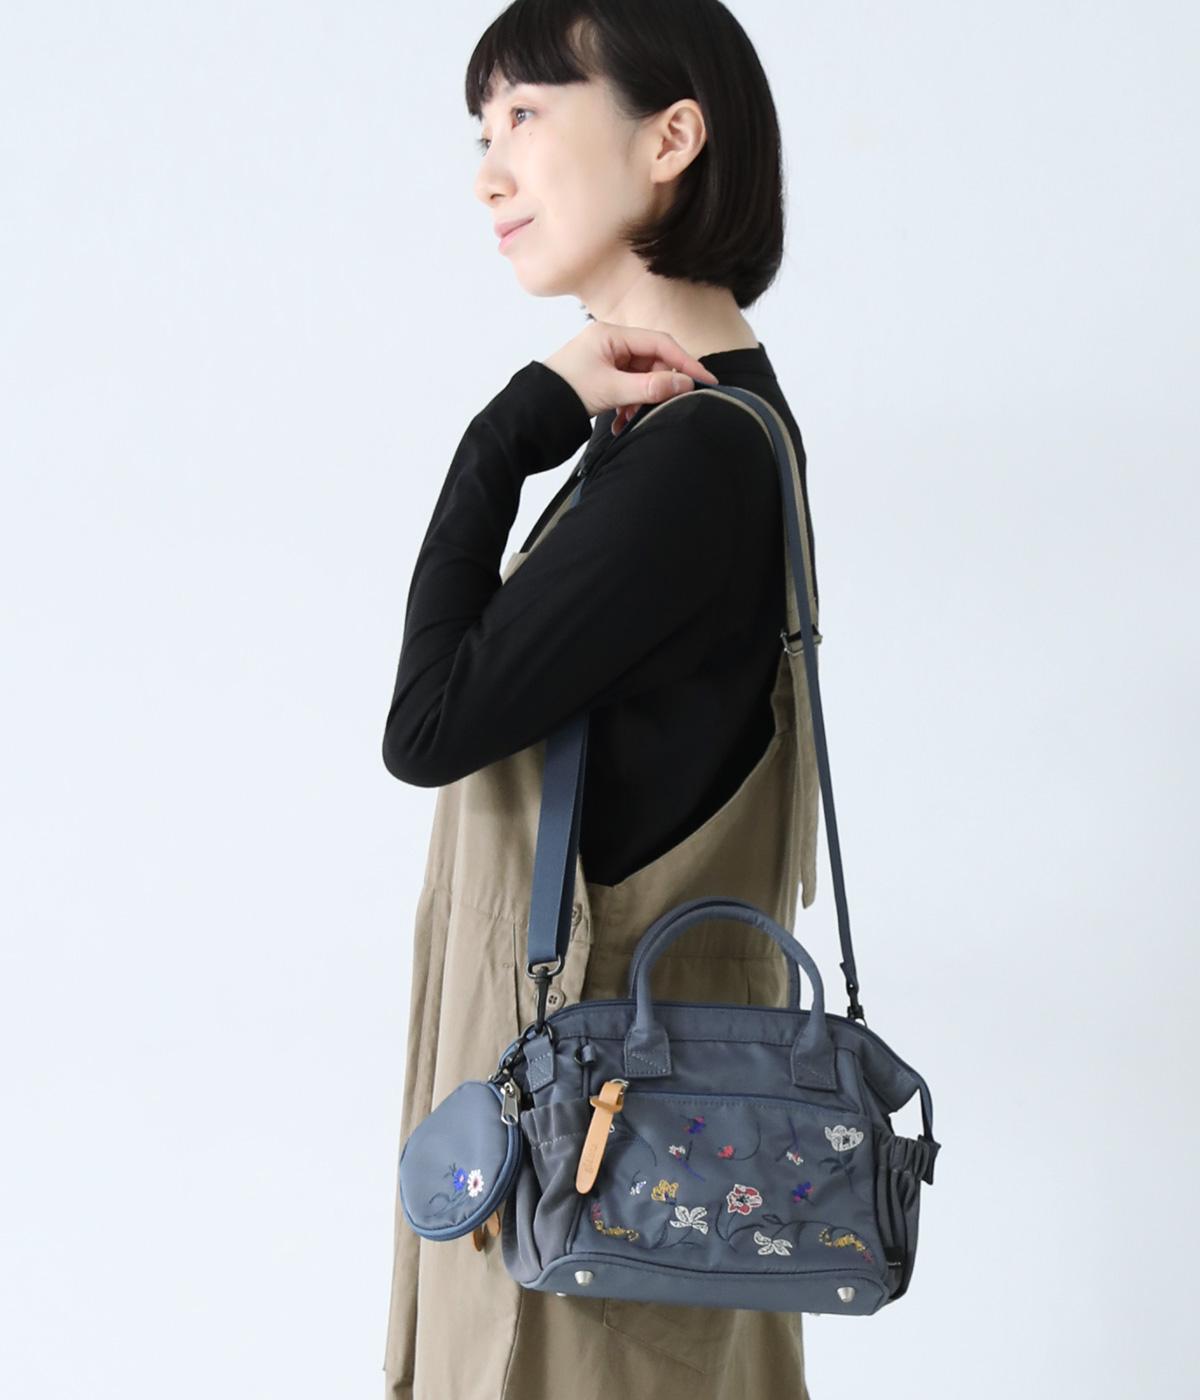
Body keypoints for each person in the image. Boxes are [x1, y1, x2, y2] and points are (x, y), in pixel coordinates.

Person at [381, 3, 822, 1396]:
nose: (489, 173)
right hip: (605, 1159)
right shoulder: (676, 433)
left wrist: (505, 431)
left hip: (595, 1178)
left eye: (525, 114)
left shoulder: (695, 458)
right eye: (482, 130)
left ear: (671, 138)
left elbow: (429, 727)